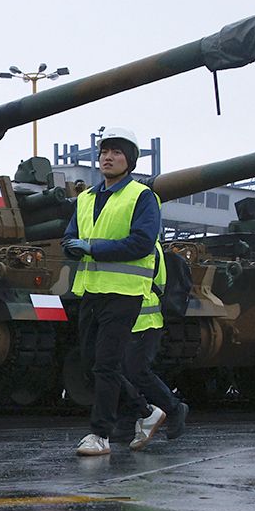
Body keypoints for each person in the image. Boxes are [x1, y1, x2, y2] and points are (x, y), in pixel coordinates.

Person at [62, 127, 161, 456]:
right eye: (104, 151)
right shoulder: (86, 199)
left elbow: (142, 242)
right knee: (93, 363)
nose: (107, 156)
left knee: (105, 364)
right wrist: (73, 247)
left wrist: (91, 247)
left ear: (129, 161)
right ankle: (146, 411)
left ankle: (99, 435)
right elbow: (71, 234)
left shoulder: (141, 196)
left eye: (117, 152)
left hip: (123, 292)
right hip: (91, 291)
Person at [121, 240, 189, 449]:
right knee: (122, 370)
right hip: (133, 320)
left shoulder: (145, 244)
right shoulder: (144, 242)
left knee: (137, 371)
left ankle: (174, 408)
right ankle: (130, 419)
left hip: (145, 320)